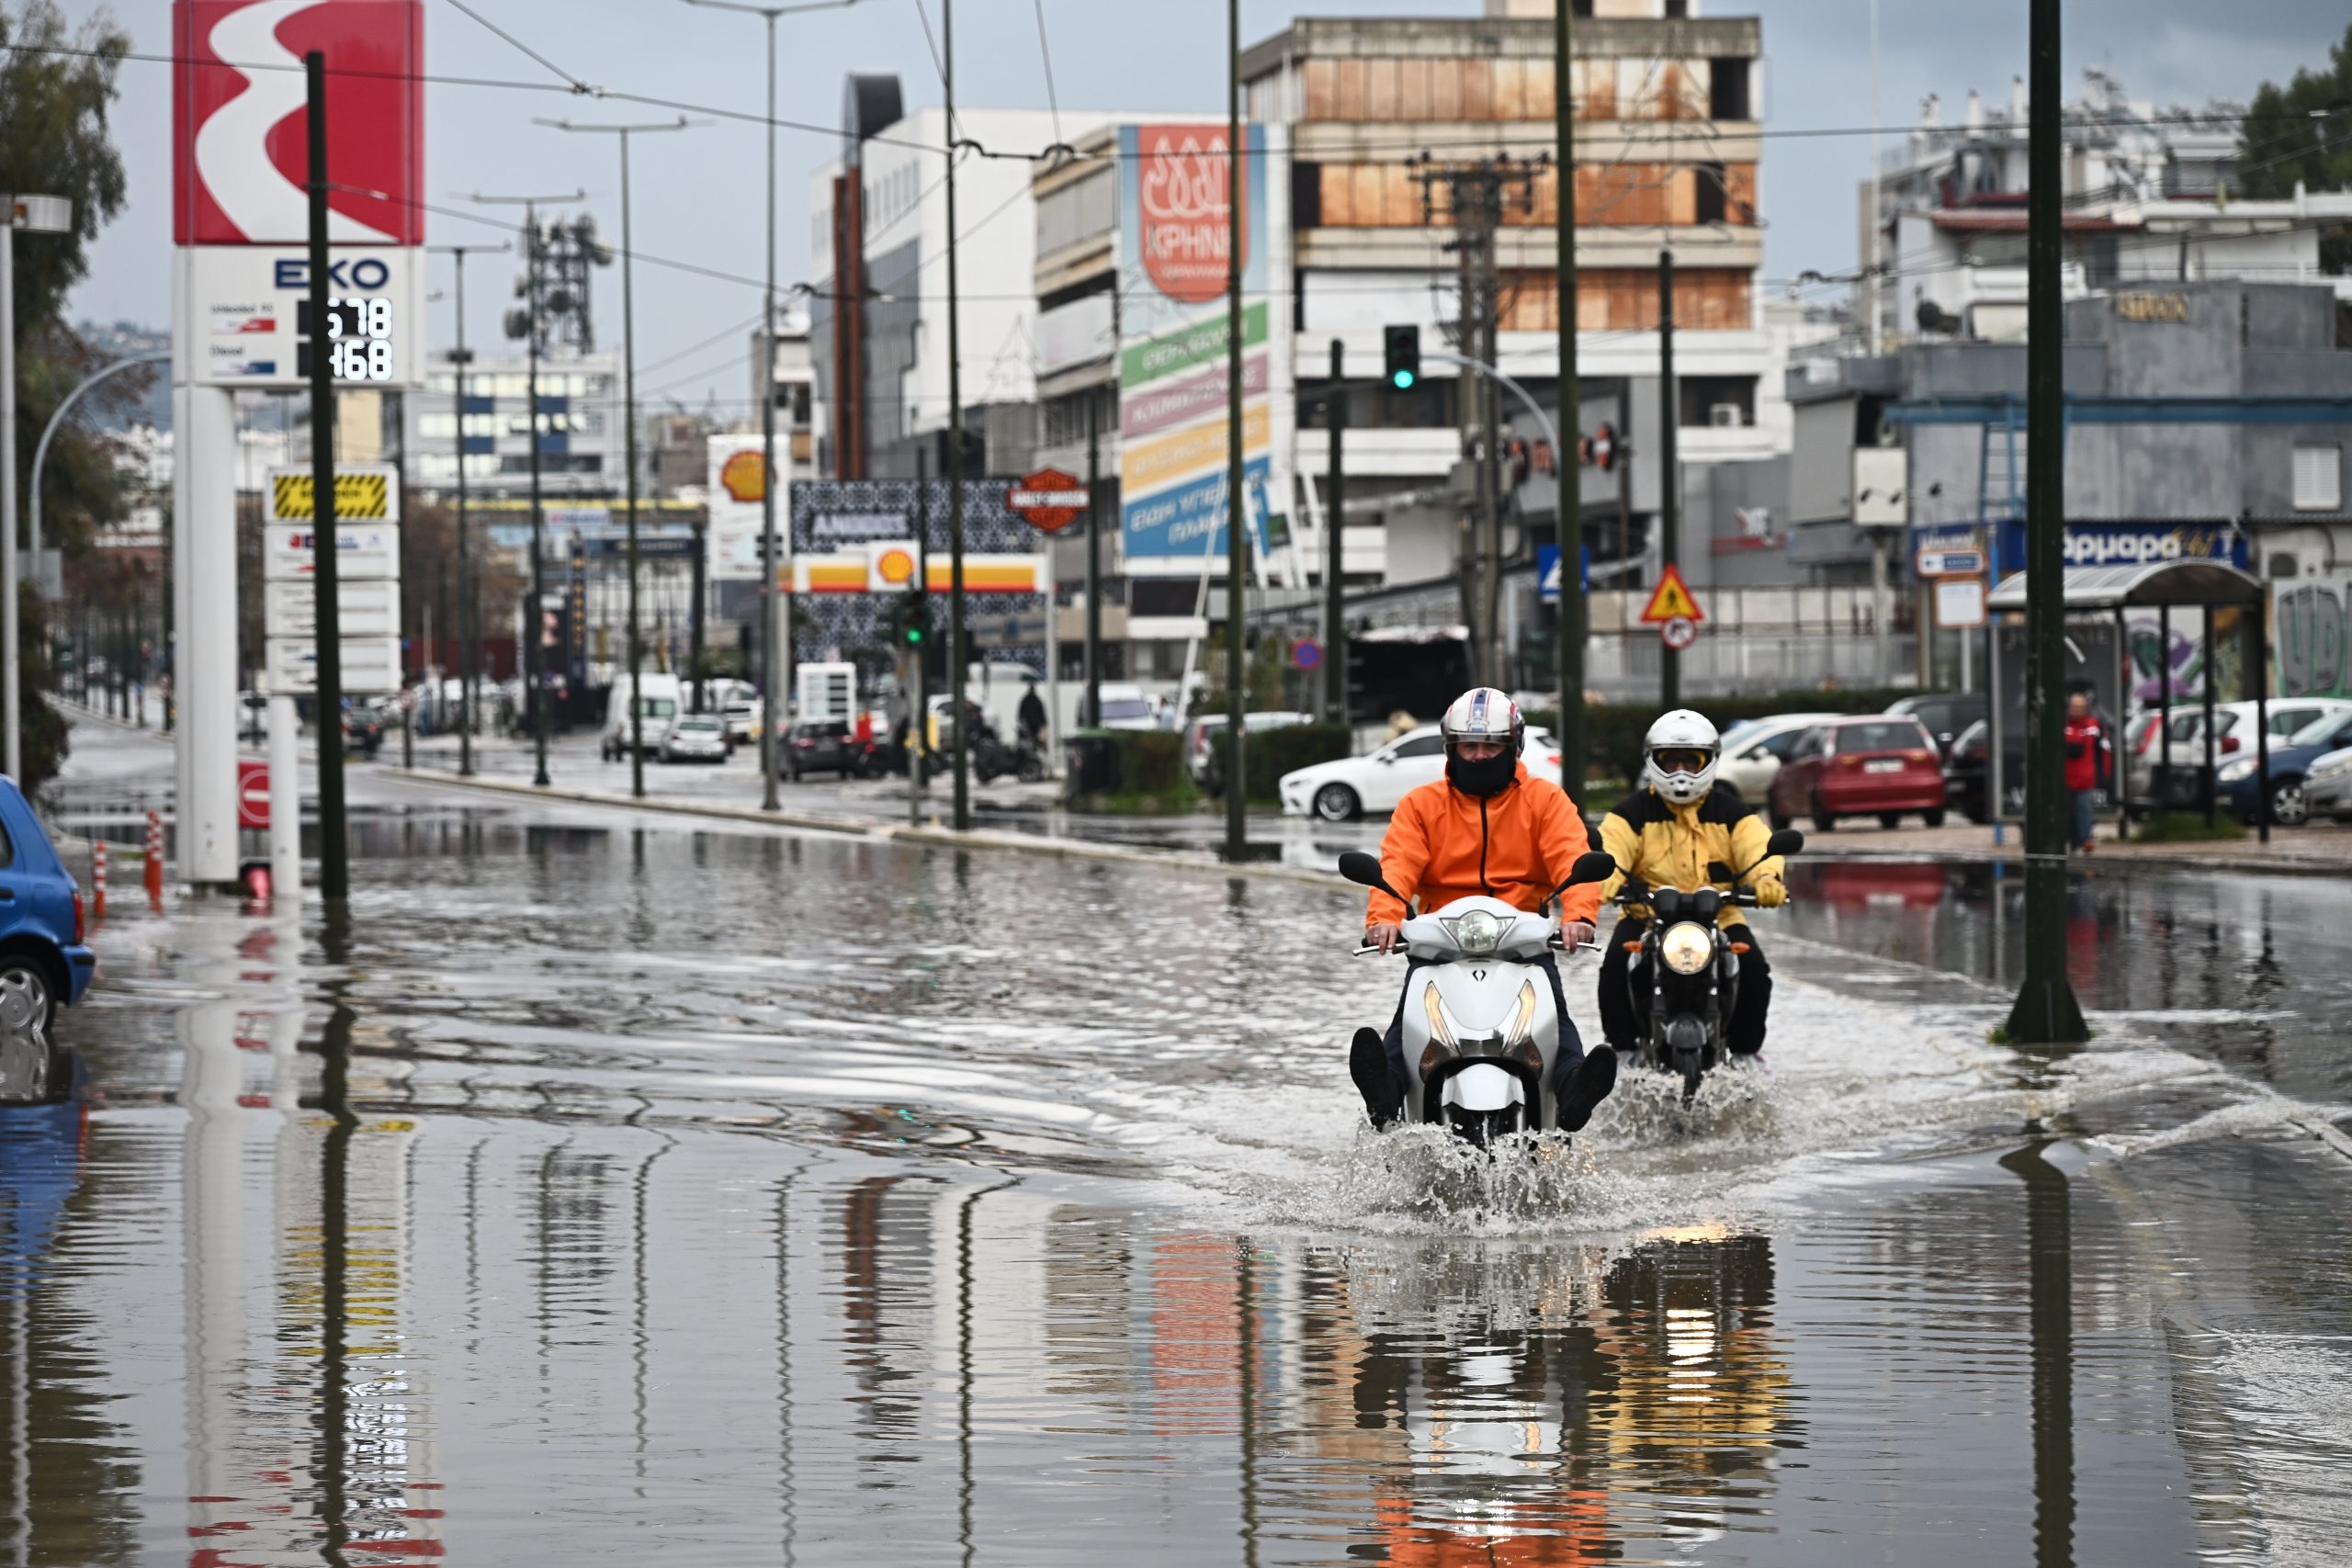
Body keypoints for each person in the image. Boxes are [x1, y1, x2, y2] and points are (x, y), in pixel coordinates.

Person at [1349, 687, 1619, 1132]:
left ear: (1514, 746)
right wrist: (1384, 919)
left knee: (1558, 1022)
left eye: (1490, 745)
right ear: (1450, 748)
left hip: (1524, 941)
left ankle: (1572, 1090)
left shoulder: (1546, 801)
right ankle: (1386, 1093)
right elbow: (1396, 865)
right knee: (1403, 1029)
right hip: (1438, 944)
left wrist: (1579, 916)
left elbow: (1573, 858)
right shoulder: (1421, 805)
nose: (1478, 756)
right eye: (1468, 746)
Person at [1595, 709, 1785, 1061]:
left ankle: (1746, 1055)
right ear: (1654, 762)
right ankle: (1621, 1052)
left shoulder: (1734, 813)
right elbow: (1612, 849)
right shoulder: (1629, 813)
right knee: (1614, 966)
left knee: (1755, 969)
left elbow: (1759, 848)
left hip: (1720, 920)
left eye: (1690, 761)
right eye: (1671, 761)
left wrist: (1766, 878)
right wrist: (1609, 878)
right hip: (1647, 919)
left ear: (1708, 763)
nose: (1681, 770)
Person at [2064, 690, 2109, 853]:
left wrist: (2104, 773)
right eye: (2074, 707)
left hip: (2086, 779)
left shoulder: (2093, 726)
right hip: (2065, 779)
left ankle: (2085, 842)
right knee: (2069, 814)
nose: (2077, 710)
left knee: (2084, 811)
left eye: (2080, 707)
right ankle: (2073, 843)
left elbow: (2102, 751)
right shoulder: (2063, 725)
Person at [1018, 680, 1048, 750]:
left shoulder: (1025, 700)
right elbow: (1042, 714)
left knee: (1029, 740)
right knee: (1037, 741)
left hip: (1028, 725)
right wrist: (1044, 724)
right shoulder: (1037, 700)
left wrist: (1022, 723)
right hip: (1036, 725)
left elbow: (1020, 714)